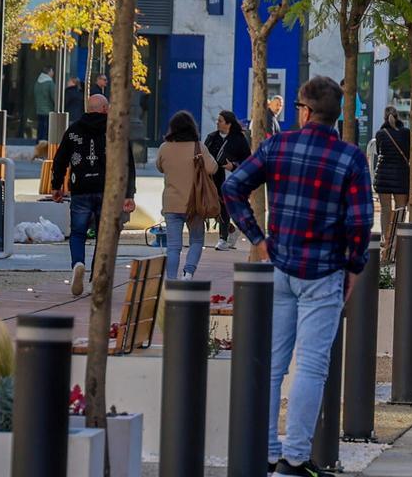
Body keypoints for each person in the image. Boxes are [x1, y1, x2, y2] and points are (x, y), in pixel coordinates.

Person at [223, 76, 374, 476]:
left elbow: (233, 188)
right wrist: (354, 267)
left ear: (305, 111)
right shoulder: (350, 158)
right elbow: (360, 223)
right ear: (336, 114)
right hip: (324, 272)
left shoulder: (278, 146)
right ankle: (294, 458)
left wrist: (257, 238)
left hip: (280, 265)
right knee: (311, 365)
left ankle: (268, 450)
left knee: (273, 363)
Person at [50, 93, 137, 297]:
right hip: (107, 189)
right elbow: (128, 164)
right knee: (103, 235)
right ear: (106, 109)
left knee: (78, 233)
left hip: (80, 187)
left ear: (88, 108)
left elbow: (60, 160)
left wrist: (56, 186)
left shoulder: (73, 131)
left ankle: (78, 263)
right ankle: (95, 277)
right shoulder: (115, 130)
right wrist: (128, 193)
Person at [156, 111, 217, 279]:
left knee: (173, 246)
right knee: (196, 241)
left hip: (171, 204)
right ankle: (188, 272)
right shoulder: (199, 147)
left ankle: (171, 280)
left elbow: (159, 167)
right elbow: (213, 168)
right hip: (194, 203)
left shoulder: (164, 148)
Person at [204, 110, 251, 251]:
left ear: (228, 124)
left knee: (223, 207)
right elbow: (204, 155)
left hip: (231, 179)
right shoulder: (212, 137)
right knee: (213, 207)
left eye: (220, 121)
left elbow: (248, 161)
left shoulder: (239, 139)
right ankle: (231, 230)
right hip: (212, 178)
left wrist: (233, 166)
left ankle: (222, 239)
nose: (217, 123)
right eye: (217, 120)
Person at [374, 106, 410, 235]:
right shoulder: (406, 133)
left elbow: (379, 152)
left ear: (384, 118)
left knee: (385, 209)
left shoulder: (380, 134)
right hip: (401, 176)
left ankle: (386, 237)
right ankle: (397, 237)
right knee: (400, 209)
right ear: (397, 116)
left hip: (383, 177)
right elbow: (409, 153)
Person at [33, 66, 56, 142]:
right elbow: (54, 97)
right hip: (48, 110)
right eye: (52, 71)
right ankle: (44, 144)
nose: (53, 73)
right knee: (46, 130)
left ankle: (39, 143)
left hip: (39, 110)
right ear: (49, 72)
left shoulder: (37, 82)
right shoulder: (50, 83)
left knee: (40, 128)